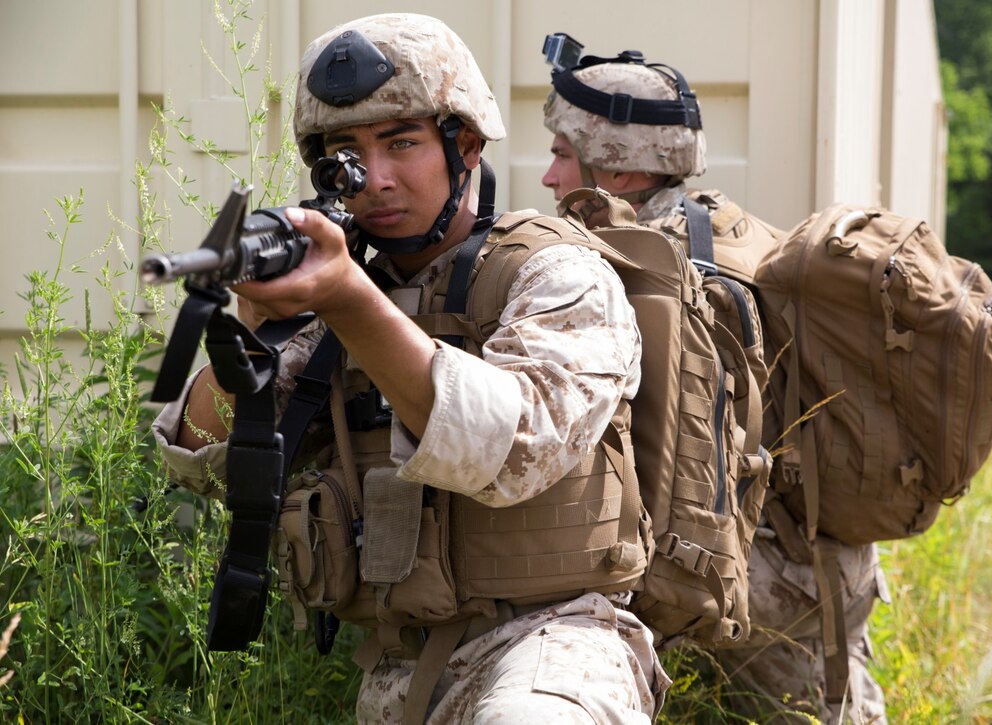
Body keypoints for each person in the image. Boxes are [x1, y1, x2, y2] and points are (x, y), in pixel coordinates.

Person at [152, 14, 670, 723]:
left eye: (402, 143)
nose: (378, 178)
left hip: (560, 646)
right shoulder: (340, 301)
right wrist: (256, 325)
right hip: (399, 668)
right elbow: (204, 466)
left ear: (465, 146)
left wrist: (346, 296)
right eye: (349, 154)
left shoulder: (553, 273)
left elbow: (510, 448)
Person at [540, 41, 891, 724]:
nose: (552, 175)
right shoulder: (729, 226)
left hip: (769, 578)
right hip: (828, 559)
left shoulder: (658, 272)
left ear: (615, 166)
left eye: (561, 151)